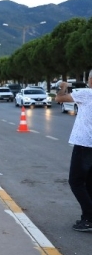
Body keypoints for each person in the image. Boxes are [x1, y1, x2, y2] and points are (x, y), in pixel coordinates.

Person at [55, 77, 92, 232]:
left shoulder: (87, 93)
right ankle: (86, 218)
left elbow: (59, 98)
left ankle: (90, 218)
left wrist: (62, 86)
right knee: (89, 184)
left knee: (76, 182)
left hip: (84, 143)